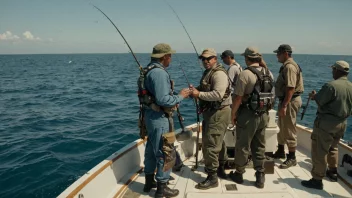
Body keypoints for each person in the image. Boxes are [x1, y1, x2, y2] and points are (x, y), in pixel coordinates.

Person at [141, 43, 190, 198]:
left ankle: (149, 182)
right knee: (165, 152)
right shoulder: (160, 74)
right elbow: (163, 100)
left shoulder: (147, 70)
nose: (171, 59)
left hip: (149, 117)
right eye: (170, 56)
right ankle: (162, 189)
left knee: (150, 149)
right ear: (164, 57)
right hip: (160, 119)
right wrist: (181, 96)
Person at [301, 61, 352, 190]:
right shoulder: (351, 86)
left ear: (337, 70)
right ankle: (333, 172)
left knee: (320, 150)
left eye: (333, 69)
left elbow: (320, 101)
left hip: (326, 124)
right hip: (342, 123)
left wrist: (313, 96)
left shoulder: (331, 86)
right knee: (333, 147)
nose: (332, 71)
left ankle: (317, 179)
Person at [228, 47, 274, 188]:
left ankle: (239, 173)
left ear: (247, 58)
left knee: (242, 145)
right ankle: (260, 175)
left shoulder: (245, 74)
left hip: (248, 115)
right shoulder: (268, 72)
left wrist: (233, 114)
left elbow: (238, 98)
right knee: (259, 145)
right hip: (263, 114)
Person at [189, 48, 232, 189]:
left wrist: (198, 94)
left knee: (211, 145)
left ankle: (212, 177)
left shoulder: (219, 74)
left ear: (215, 59)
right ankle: (220, 168)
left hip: (218, 113)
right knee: (217, 141)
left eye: (209, 58)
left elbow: (217, 95)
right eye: (203, 59)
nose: (206, 61)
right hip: (212, 113)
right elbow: (204, 88)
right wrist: (194, 91)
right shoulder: (208, 73)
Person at [271, 44, 304, 169]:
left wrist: (284, 105)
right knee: (282, 126)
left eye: (278, 54)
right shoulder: (286, 66)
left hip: (289, 101)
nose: (276, 56)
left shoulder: (289, 67)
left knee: (289, 128)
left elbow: (291, 88)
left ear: (285, 53)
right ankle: (280, 151)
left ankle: (292, 157)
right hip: (285, 100)